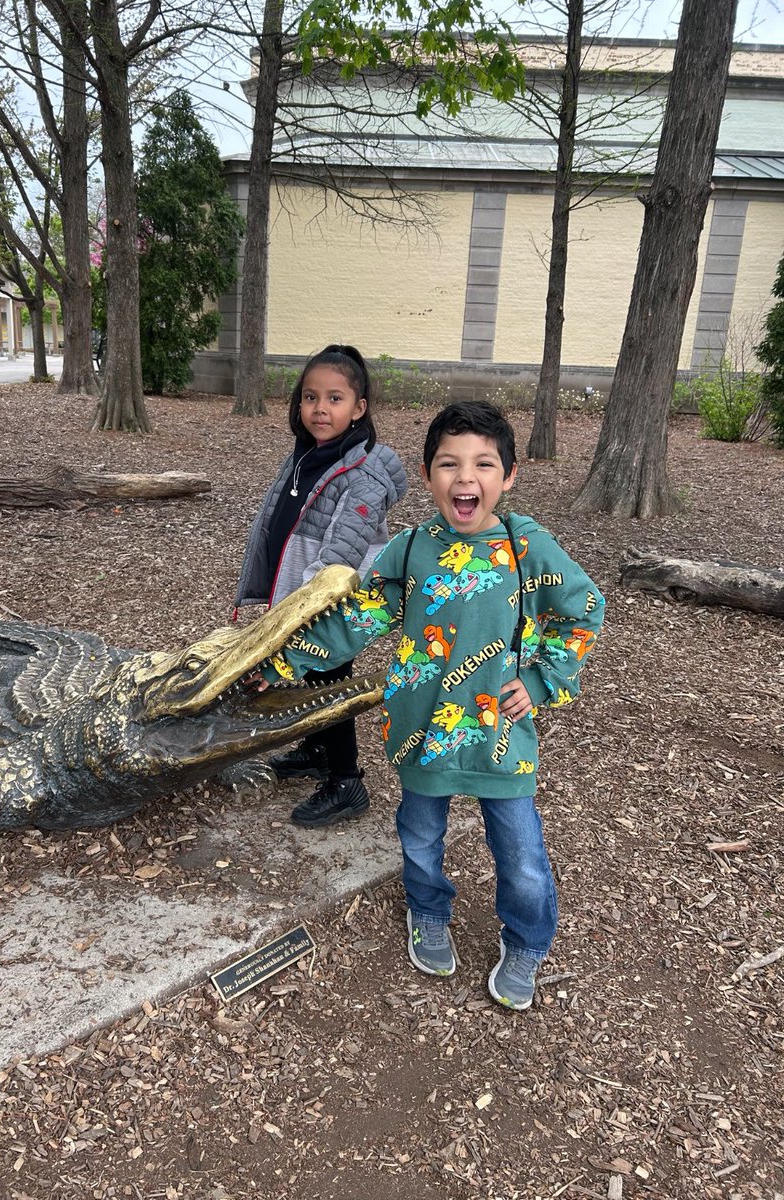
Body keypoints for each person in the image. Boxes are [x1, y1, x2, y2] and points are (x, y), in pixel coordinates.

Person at [256, 400, 605, 1010]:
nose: (465, 479)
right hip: (422, 732)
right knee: (419, 836)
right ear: (427, 475)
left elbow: (584, 610)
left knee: (520, 855)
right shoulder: (411, 550)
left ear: (509, 475)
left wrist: (546, 680)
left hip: (503, 738)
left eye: (483, 464)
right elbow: (353, 622)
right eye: (449, 464)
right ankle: (428, 911)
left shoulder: (529, 548)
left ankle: (526, 943)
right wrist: (280, 665)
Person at [234, 344, 407, 828]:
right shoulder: (308, 455)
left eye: (334, 398)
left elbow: (342, 554)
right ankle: (317, 751)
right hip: (304, 591)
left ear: (359, 408)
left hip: (334, 598)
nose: (320, 408)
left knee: (330, 678)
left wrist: (306, 607)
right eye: (311, 397)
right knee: (315, 677)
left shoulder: (364, 472)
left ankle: (347, 781)